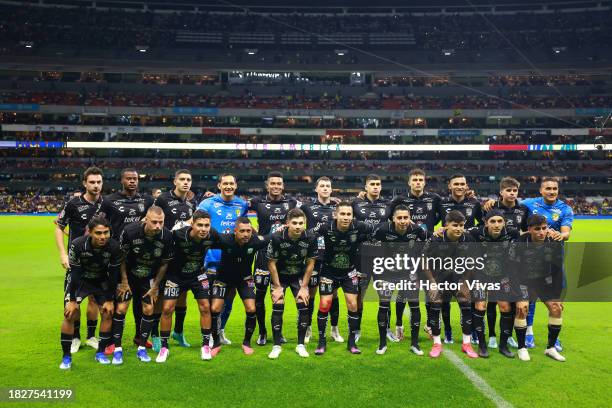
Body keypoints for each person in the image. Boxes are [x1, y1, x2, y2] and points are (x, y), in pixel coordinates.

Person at [309, 202, 375, 355]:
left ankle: (351, 343)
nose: (346, 217)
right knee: (325, 304)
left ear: (352, 216)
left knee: (353, 305)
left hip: (349, 272)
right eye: (343, 214)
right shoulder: (326, 227)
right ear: (336, 215)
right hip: (328, 271)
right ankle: (321, 342)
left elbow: (379, 229)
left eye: (349, 214)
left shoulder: (358, 226)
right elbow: (309, 233)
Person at [156, 211, 221, 362]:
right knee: (167, 309)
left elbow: (227, 243)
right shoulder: (177, 235)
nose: (203, 229)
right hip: (175, 276)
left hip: (198, 275)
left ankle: (205, 345)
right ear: (192, 224)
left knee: (205, 307)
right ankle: (164, 347)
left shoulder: (213, 235)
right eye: (200, 225)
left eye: (206, 225)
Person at [59, 215, 122, 369]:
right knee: (70, 313)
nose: (102, 237)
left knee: (107, 312)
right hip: (80, 280)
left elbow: (113, 274)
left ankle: (100, 353)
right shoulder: (78, 245)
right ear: (90, 232)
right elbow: (74, 274)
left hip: (101, 280)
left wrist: (109, 299)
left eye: (105, 232)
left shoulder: (114, 246)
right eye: (98, 233)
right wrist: (73, 300)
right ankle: (66, 357)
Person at [102, 168, 154, 354]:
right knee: (118, 299)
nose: (132, 181)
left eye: (135, 178)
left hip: (140, 258)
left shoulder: (147, 200)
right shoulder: (109, 201)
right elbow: (101, 224)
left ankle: (140, 337)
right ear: (121, 180)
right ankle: (110, 341)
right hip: (117, 258)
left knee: (141, 300)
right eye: (129, 178)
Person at [114, 206, 174, 363]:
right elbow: (121, 258)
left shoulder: (166, 236)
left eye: (161, 222)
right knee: (121, 308)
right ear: (145, 219)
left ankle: (141, 347)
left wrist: (155, 287)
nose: (158, 226)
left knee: (148, 309)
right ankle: (117, 349)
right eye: (154, 222)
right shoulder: (130, 231)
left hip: (149, 277)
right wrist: (124, 282)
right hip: (128, 275)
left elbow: (164, 264)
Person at [55, 166, 105, 354]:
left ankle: (91, 336)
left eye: (99, 182)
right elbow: (59, 228)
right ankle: (75, 337)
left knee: (94, 300)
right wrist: (62, 253)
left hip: (100, 263)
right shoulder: (73, 204)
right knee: (73, 301)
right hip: (77, 263)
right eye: (92, 182)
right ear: (85, 183)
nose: (96, 185)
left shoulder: (106, 204)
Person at [388, 168, 441, 340]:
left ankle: (429, 325)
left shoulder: (434, 199)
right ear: (409, 182)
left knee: (429, 291)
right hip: (406, 253)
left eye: (420, 179)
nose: (418, 182)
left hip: (428, 251)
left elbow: (442, 216)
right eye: (415, 180)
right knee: (404, 291)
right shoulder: (399, 200)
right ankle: (399, 325)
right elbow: (387, 216)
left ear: (424, 182)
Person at [197, 173, 249, 346]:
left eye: (231, 184)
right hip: (212, 260)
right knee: (214, 302)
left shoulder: (241, 204)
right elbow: (197, 224)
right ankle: (211, 335)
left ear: (236, 186)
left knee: (229, 299)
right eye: (225, 183)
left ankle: (221, 330)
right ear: (219, 185)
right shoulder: (207, 203)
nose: (228, 186)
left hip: (233, 261)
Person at [249, 172, 299, 346]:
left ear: (283, 185)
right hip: (263, 255)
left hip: (282, 258)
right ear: (267, 185)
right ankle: (262, 332)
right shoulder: (257, 202)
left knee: (280, 296)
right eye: (273, 183)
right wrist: (258, 237)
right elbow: (238, 213)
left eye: (279, 183)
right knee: (260, 297)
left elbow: (310, 210)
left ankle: (279, 331)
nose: (276, 186)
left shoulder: (291, 202)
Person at [209, 217, 270, 356]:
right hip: (223, 279)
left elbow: (271, 237)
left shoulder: (255, 241)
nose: (246, 234)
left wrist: (283, 229)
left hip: (244, 279)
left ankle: (246, 343)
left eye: (248, 231)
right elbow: (208, 238)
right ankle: (216, 343)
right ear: (234, 231)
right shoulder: (225, 240)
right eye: (242, 231)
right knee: (214, 308)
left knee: (251, 308)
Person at [372, 205, 428, 355]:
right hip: (386, 273)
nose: (403, 221)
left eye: (406, 218)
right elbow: (368, 242)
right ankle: (382, 343)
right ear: (393, 219)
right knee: (384, 305)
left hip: (408, 274)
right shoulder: (383, 229)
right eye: (399, 218)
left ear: (410, 218)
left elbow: (425, 246)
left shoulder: (417, 230)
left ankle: (415, 344)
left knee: (415, 306)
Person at [422, 210, 479, 359]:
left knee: (466, 303)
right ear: (446, 225)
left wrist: (465, 282)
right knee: (435, 305)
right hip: (438, 277)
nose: (459, 228)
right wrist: (432, 283)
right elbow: (424, 262)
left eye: (461, 225)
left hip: (458, 277)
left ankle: (466, 344)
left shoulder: (469, 239)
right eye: (455, 225)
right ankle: (436, 343)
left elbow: (472, 262)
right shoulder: (435, 239)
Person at [151, 169, 197, 350]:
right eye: (182, 179)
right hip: (163, 255)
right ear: (175, 182)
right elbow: (153, 218)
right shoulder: (163, 199)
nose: (186, 182)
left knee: (182, 295)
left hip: (182, 255)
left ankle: (178, 332)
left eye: (188, 179)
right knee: (161, 296)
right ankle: (155, 334)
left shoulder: (191, 202)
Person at [511, 214, 566, 362]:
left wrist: (557, 295)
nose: (541, 232)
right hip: (523, 281)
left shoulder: (553, 242)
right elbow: (512, 271)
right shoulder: (520, 243)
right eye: (537, 229)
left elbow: (557, 270)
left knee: (557, 308)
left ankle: (551, 348)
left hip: (544, 281)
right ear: (529, 229)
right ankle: (522, 348)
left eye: (544, 228)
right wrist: (518, 296)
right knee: (522, 309)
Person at [267, 208, 318, 359]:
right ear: (287, 223)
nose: (297, 226)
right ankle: (276, 346)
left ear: (305, 224)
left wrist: (304, 288)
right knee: (278, 304)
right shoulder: (277, 237)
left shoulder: (310, 237)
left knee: (303, 304)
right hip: (280, 276)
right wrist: (277, 287)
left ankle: (300, 345)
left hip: (298, 276)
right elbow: (271, 263)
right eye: (294, 223)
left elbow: (310, 264)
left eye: (301, 223)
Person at [300, 176, 342, 343]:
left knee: (333, 294)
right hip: (314, 256)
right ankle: (308, 328)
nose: (325, 188)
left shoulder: (337, 207)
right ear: (316, 189)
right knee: (310, 294)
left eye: (328, 186)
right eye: (322, 186)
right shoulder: (307, 207)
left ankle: (334, 329)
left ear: (331, 189)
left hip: (332, 256)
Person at [352, 174, 393, 343]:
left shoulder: (388, 205)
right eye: (372, 184)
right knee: (359, 295)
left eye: (378, 184)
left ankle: (388, 329)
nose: (375, 187)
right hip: (361, 256)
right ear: (366, 187)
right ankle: (356, 330)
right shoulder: (356, 203)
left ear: (381, 187)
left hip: (383, 257)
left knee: (385, 294)